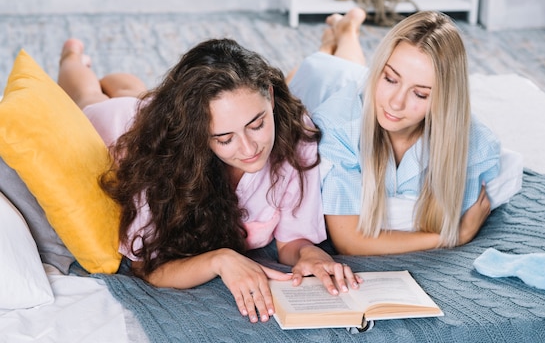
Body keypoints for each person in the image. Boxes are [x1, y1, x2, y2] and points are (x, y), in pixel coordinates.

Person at [57, 37, 361, 324]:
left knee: (137, 94)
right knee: (91, 97)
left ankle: (128, 86)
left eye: (256, 124)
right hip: (116, 125)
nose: (249, 148)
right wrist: (219, 260)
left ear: (269, 95)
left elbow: (294, 239)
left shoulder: (295, 134)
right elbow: (148, 267)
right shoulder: (158, 159)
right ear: (197, 133)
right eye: (225, 138)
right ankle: (71, 56)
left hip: (157, 109)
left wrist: (311, 254)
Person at [289, 9, 522, 256]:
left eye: (420, 94)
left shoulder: (475, 143)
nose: (396, 103)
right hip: (323, 85)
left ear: (446, 99)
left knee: (354, 69)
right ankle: (339, 36)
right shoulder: (335, 125)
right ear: (379, 70)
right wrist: (453, 237)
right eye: (390, 78)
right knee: (323, 67)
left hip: (362, 84)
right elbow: (349, 242)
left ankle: (346, 30)